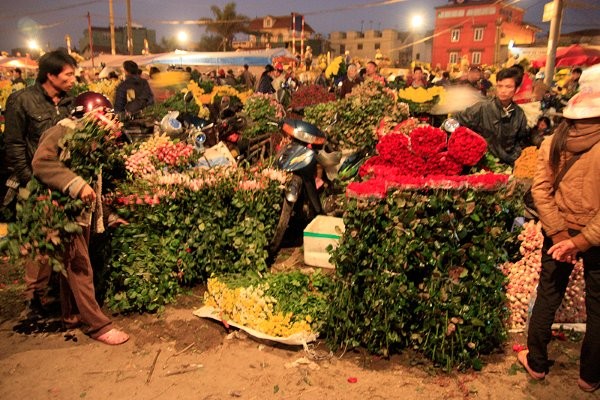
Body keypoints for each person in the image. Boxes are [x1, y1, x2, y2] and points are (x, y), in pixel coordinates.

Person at [518, 65, 600, 393]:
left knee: (548, 296)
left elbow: (541, 192)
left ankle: (536, 362)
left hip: (559, 233)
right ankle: (590, 377)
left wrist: (562, 236)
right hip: (593, 238)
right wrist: (580, 241)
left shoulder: (553, 141)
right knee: (597, 306)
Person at [31, 92, 129, 345]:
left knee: (70, 268)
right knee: (79, 266)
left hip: (78, 212)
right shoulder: (62, 132)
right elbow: (41, 163)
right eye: (105, 117)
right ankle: (98, 325)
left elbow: (95, 185)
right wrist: (75, 185)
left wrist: (108, 215)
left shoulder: (88, 140)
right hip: (60, 211)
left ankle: (72, 316)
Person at [3, 50, 77, 317]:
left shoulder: (70, 102)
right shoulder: (21, 101)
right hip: (36, 183)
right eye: (68, 74)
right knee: (39, 242)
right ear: (51, 75)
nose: (73, 79)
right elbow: (13, 145)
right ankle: (33, 297)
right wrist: (30, 181)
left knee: (63, 237)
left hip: (65, 181)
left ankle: (59, 292)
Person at [454, 67, 529, 165]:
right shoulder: (482, 108)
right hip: (482, 164)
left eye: (508, 87)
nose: (503, 90)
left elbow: (521, 142)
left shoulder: (519, 114)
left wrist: (514, 158)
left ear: (517, 89)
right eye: (500, 86)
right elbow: (457, 121)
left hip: (508, 164)